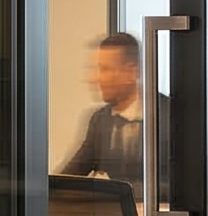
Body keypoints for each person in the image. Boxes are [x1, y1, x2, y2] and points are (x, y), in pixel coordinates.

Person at [59, 30, 171, 198]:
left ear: (131, 72)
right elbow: (70, 176)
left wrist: (110, 189)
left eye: (104, 69)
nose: (95, 79)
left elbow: (186, 188)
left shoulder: (172, 116)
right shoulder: (100, 120)